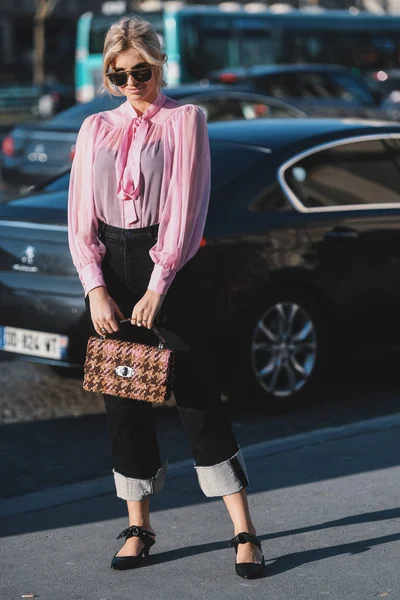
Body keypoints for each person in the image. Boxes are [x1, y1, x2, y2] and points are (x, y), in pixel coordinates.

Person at [68, 16, 265, 579]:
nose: (130, 81)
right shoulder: (92, 128)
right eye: (118, 72)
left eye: (141, 71)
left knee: (197, 396)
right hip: (110, 266)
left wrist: (159, 284)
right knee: (122, 397)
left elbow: (186, 207)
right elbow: (80, 215)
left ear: (159, 66)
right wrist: (96, 288)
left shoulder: (186, 120)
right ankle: (139, 525)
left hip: (168, 266)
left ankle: (244, 529)